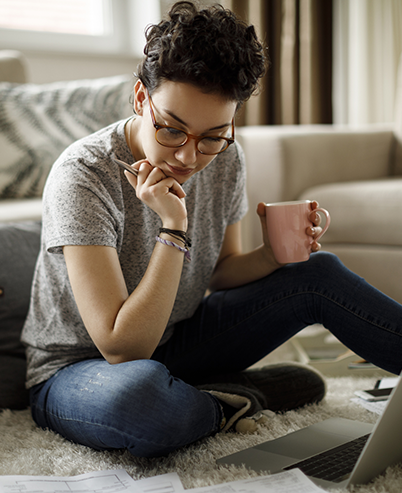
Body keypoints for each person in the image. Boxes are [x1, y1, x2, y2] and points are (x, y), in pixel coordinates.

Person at [22, 1, 402, 458]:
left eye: (212, 136)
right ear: (141, 99)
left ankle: (197, 390)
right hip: (80, 369)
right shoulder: (84, 174)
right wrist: (174, 228)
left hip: (178, 343)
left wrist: (271, 257)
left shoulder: (227, 158)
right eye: (173, 131)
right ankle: (238, 398)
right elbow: (123, 347)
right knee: (140, 402)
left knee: (316, 272)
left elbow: (220, 272)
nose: (188, 157)